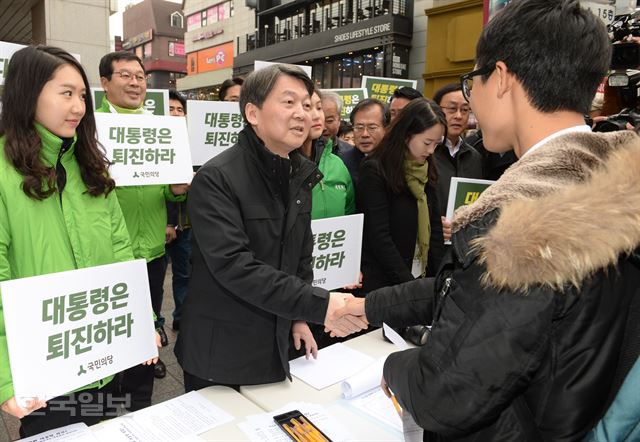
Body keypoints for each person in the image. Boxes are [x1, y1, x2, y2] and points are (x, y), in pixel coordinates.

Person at [335, 0, 640, 439]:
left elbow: (446, 394)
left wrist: (395, 366)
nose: (470, 100)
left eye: (471, 82)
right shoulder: (605, 185)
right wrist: (369, 305)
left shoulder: (529, 225)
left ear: (499, 78)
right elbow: (466, 291)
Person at [174, 64, 367, 392]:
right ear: (253, 112)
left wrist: (297, 317)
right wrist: (318, 305)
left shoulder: (299, 174)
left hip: (275, 339)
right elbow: (235, 266)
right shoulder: (217, 178)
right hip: (221, 351)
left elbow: (300, 256)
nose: (302, 114)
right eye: (288, 102)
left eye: (307, 105)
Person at [0, 45, 145, 436]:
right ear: (28, 93)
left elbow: (121, 252)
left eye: (82, 96)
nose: (79, 107)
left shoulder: (90, 165)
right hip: (44, 374)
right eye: (66, 93)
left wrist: (138, 323)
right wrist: (6, 377)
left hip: (106, 358)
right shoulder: (2, 172)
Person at [97, 51, 188, 406]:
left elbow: (167, 187)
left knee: (147, 315)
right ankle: (109, 381)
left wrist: (177, 189)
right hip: (108, 250)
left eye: (140, 76)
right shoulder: (91, 125)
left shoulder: (159, 126)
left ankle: (142, 376)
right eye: (126, 76)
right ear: (105, 82)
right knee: (112, 320)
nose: (136, 83)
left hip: (150, 246)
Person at [357, 98, 445, 294]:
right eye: (427, 142)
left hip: (422, 276)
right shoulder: (375, 170)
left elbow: (435, 228)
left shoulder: (426, 168)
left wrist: (438, 280)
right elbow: (379, 237)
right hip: (387, 284)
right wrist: (410, 287)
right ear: (406, 135)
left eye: (436, 144)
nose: (431, 151)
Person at [432, 83, 483, 241]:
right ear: (436, 112)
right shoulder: (426, 153)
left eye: (465, 110)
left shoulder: (474, 156)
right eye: (452, 109)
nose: (459, 116)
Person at [299, 88, 355, 220]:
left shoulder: (339, 163)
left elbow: (349, 210)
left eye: (318, 108)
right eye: (308, 107)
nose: (318, 119)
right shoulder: (282, 161)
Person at [164, 90, 192, 335]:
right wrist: (169, 223)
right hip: (160, 225)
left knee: (184, 275)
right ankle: (156, 327)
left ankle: (182, 318)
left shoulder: (195, 142)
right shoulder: (153, 140)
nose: (174, 113)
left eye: (179, 110)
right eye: (169, 109)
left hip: (189, 224)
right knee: (154, 283)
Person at [349, 98, 388, 183]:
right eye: (359, 128)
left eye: (372, 128)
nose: (364, 134)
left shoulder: (396, 161)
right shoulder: (342, 163)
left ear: (386, 129)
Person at [320, 90, 359, 172]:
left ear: (339, 120)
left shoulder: (352, 154)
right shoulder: (298, 153)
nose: (323, 128)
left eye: (329, 121)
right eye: (317, 120)